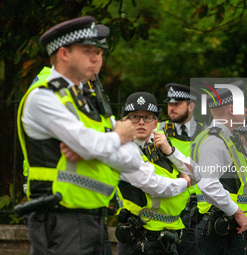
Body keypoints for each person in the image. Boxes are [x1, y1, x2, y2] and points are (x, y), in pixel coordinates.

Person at [16, 16, 141, 255]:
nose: (97, 58)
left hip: (94, 219)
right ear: (64, 54)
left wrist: (96, 148)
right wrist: (116, 137)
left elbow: (134, 160)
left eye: (99, 52)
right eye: (88, 51)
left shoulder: (88, 99)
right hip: (59, 219)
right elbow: (92, 145)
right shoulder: (44, 97)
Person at [115, 92, 198, 254]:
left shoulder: (161, 148)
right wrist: (185, 182)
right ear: (125, 122)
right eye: (134, 117)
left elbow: (199, 174)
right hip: (139, 240)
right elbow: (155, 185)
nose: (140, 122)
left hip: (168, 239)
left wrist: (171, 152)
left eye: (147, 117)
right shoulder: (122, 149)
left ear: (155, 123)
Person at [192, 81, 247, 255]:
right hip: (218, 231)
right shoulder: (215, 142)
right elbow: (208, 185)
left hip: (227, 227)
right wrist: (237, 212)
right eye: (243, 105)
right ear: (231, 109)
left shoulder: (228, 139)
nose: (246, 110)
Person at [157, 83, 203, 255]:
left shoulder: (205, 134)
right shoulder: (158, 130)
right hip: (165, 206)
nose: (171, 108)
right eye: (169, 104)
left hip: (193, 212)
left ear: (191, 105)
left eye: (177, 104)